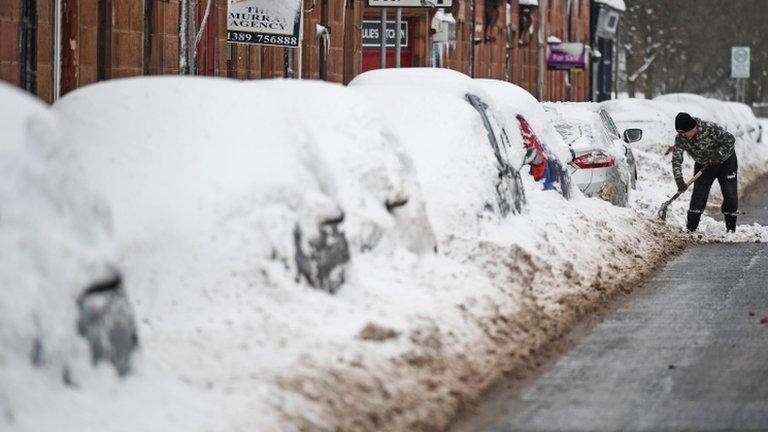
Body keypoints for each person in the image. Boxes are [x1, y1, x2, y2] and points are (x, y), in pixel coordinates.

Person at [672, 112, 738, 233]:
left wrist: (718, 155)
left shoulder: (710, 128)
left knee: (730, 194)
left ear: (693, 127)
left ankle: (731, 229)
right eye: (679, 132)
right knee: (699, 194)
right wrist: (679, 180)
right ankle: (691, 229)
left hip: (726, 162)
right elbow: (676, 160)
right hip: (704, 165)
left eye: (684, 132)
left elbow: (730, 139)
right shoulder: (681, 138)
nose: (682, 135)